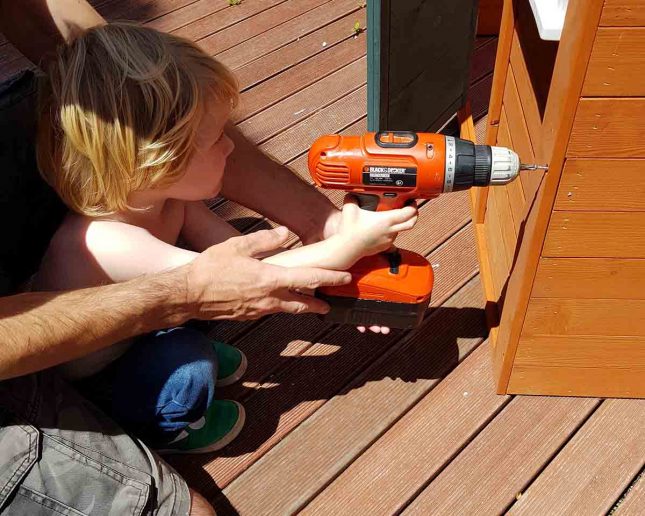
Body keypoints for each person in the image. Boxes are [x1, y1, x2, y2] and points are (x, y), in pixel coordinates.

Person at [0, 1, 417, 514]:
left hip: (142, 322)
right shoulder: (107, 242)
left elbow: (234, 259)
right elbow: (248, 278)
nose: (229, 148)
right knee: (188, 366)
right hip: (99, 375)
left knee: (204, 314)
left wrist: (337, 269)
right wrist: (353, 243)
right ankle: (171, 425)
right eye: (216, 137)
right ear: (155, 160)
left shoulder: (162, 196)